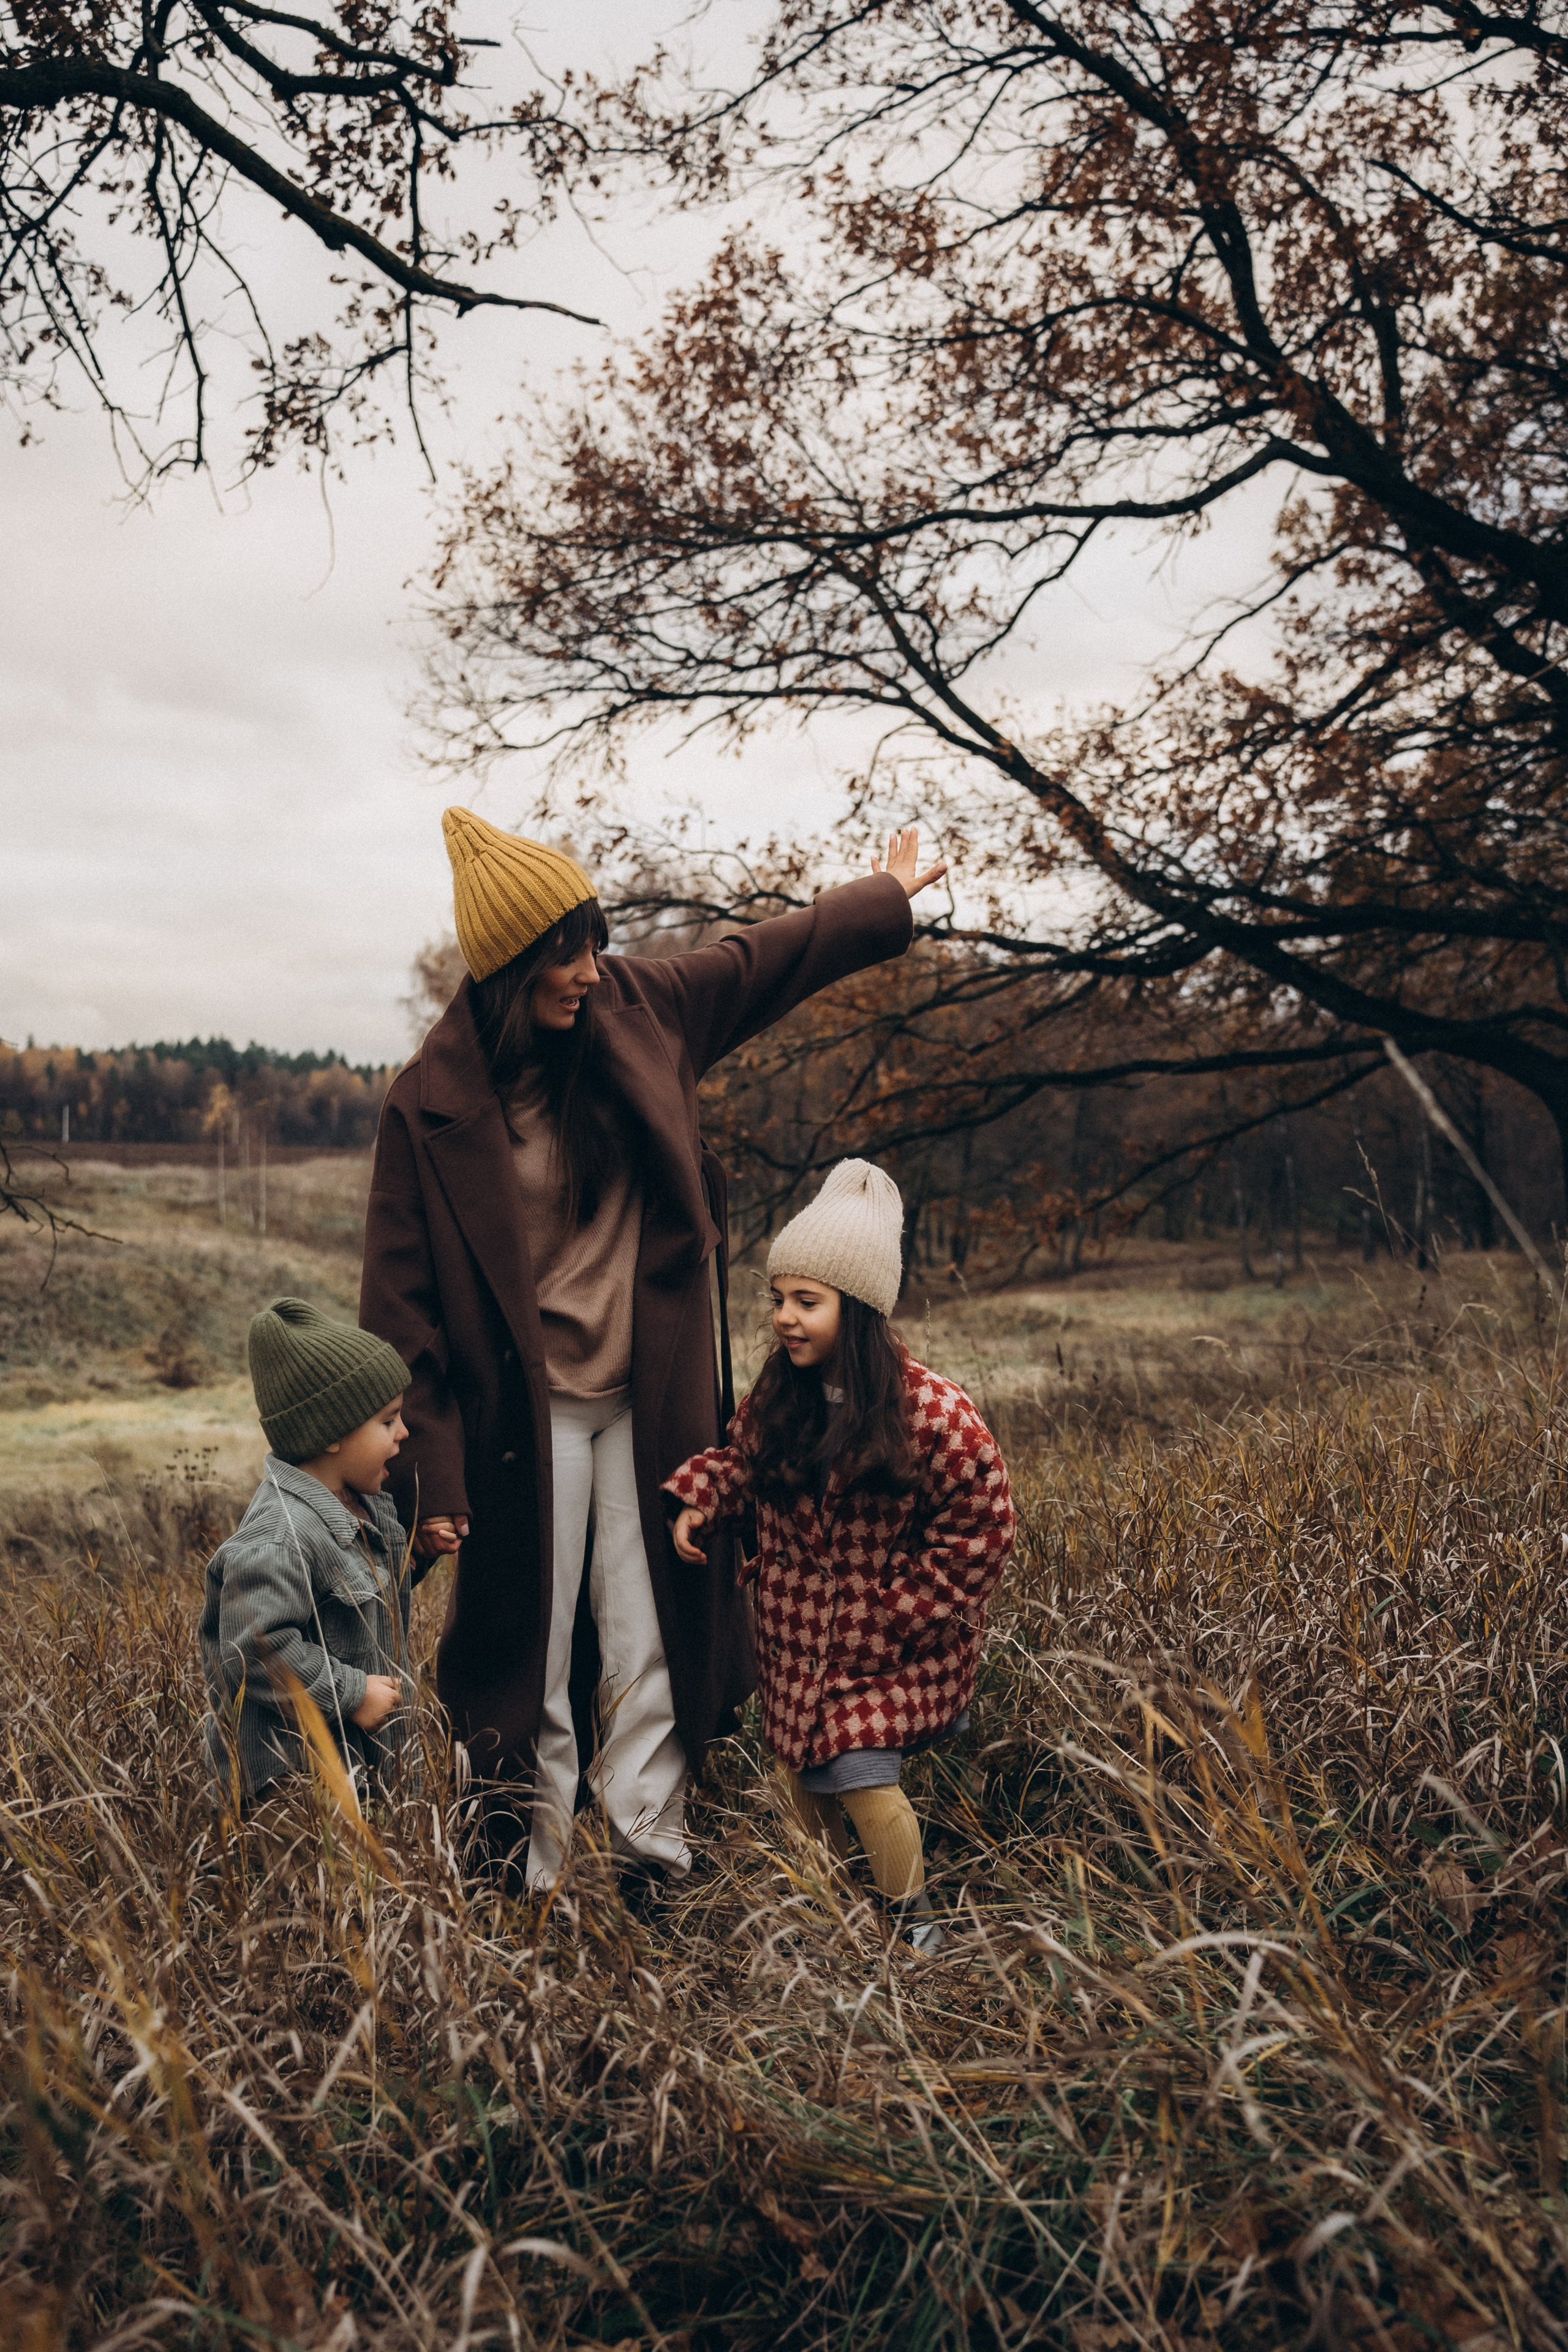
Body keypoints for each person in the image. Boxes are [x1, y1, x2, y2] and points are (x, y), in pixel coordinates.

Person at [360, 807, 946, 1893]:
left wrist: (884, 901)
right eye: (565, 951)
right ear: (507, 967)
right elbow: (401, 1312)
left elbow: (760, 962)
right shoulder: (428, 1105)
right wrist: (428, 1469)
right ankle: (520, 1866)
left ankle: (652, 1848)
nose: (589, 968)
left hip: (648, 1397)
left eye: (593, 941)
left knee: (652, 1627)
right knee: (524, 1645)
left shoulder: (642, 1014)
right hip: (519, 1427)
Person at [664, 1159, 1014, 1952]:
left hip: (885, 1647)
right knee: (803, 1779)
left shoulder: (932, 1412)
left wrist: (899, 1612)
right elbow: (741, 1459)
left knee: (862, 1777)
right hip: (794, 1634)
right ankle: (822, 1910)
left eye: (807, 1302)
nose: (786, 1318)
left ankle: (913, 1922)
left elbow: (981, 1526)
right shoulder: (781, 1393)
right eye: (778, 1298)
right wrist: (704, 1499)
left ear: (856, 1309)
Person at [200, 1297, 418, 1804]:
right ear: (334, 1433)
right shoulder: (282, 1535)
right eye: (388, 1422)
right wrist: (351, 1692)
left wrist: (418, 1553)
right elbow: (254, 1648)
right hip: (296, 1794)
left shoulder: (358, 1507)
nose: (403, 1434)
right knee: (313, 1887)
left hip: (355, 1776)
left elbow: (359, 1599)